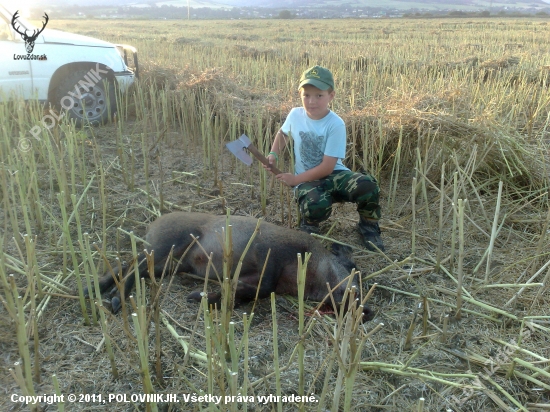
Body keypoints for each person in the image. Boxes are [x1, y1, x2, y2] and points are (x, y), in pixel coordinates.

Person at [264, 65, 385, 252]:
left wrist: (294, 179)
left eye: (319, 95)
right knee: (316, 204)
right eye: (306, 95)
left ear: (331, 95)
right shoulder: (295, 114)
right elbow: (283, 133)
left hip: (333, 174)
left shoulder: (336, 124)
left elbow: (328, 167)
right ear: (300, 95)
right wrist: (273, 154)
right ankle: (308, 227)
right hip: (308, 181)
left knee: (368, 185)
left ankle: (368, 227)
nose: (311, 101)